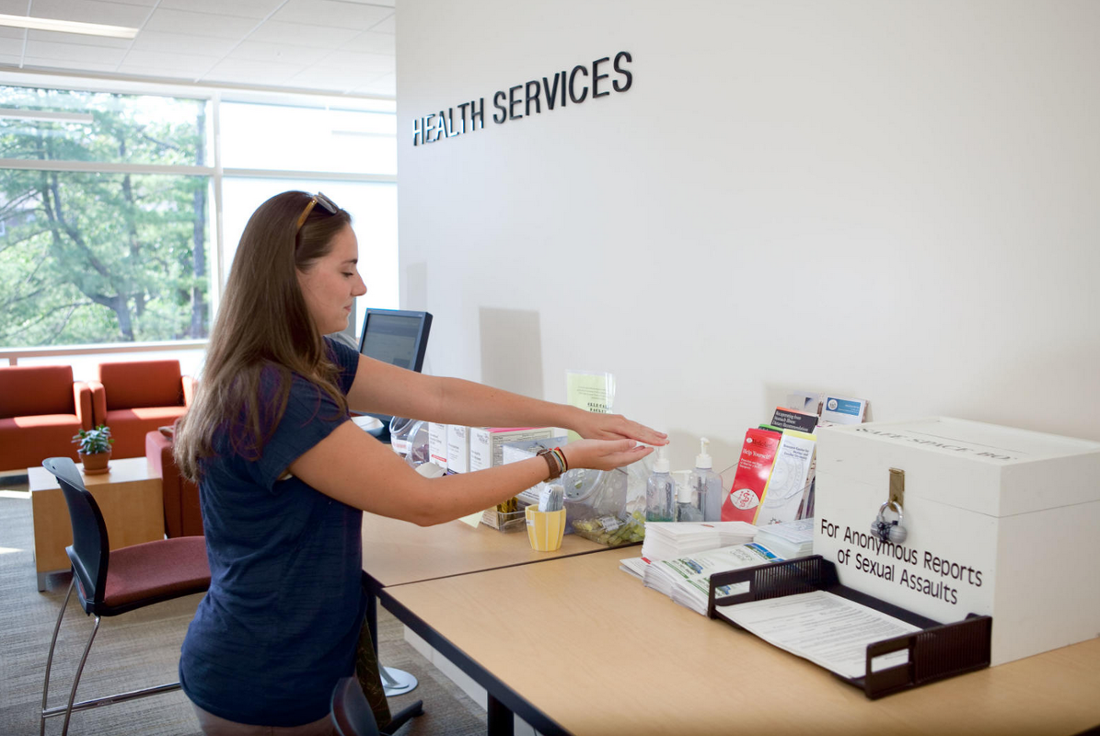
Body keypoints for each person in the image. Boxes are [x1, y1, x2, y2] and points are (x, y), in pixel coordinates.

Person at [172, 190, 666, 735]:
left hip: (274, 648)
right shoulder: (280, 392)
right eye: (346, 270)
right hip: (268, 672)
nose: (360, 287)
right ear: (290, 277)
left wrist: (573, 415)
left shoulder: (308, 358)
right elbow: (425, 503)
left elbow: (437, 397)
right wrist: (561, 458)